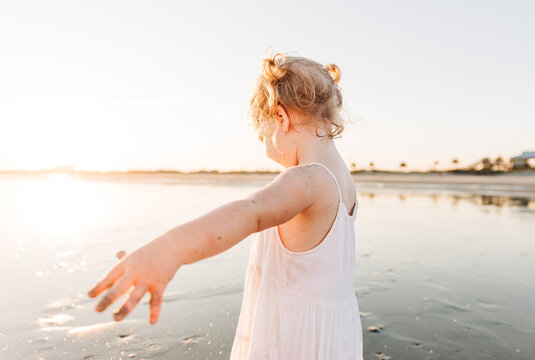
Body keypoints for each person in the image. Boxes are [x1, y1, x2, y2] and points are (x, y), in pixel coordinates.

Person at [87, 51, 364, 359]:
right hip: (334, 337)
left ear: (281, 118)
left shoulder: (305, 180)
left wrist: (170, 249)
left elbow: (250, 211)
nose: (265, 145)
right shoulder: (344, 180)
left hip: (293, 341)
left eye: (263, 136)